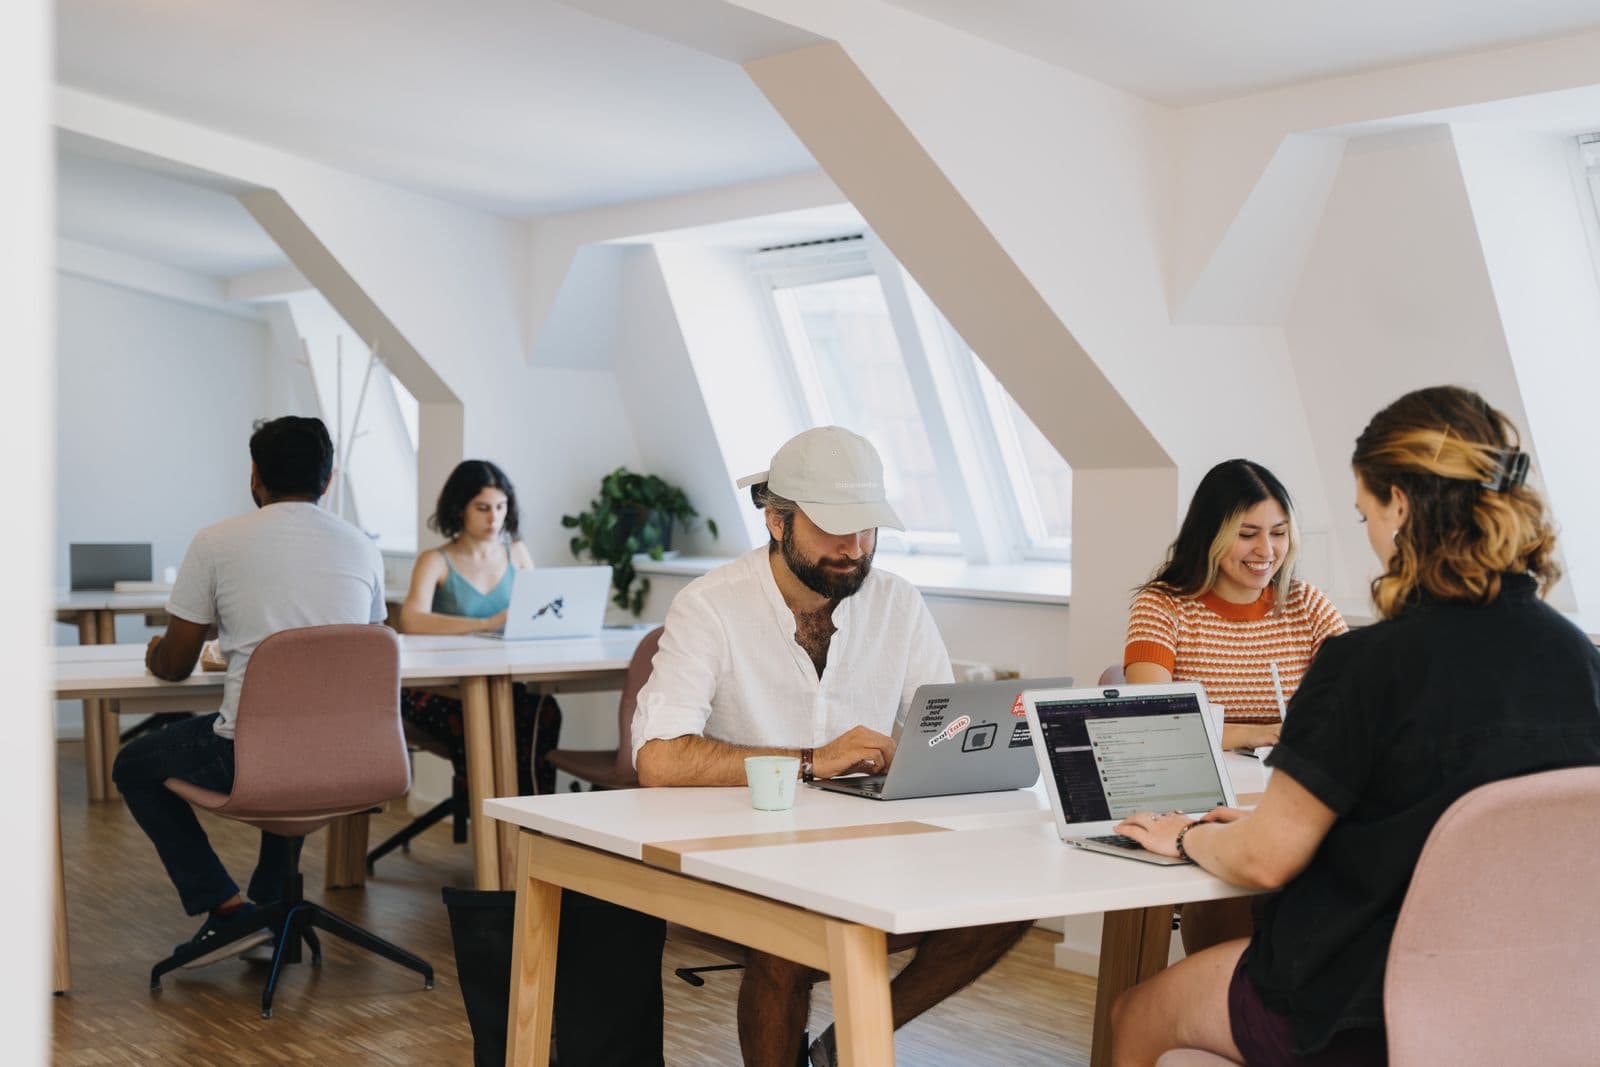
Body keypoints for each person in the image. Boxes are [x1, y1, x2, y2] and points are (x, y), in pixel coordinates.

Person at [1107, 386, 1600, 1067]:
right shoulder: (1581, 660)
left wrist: (1190, 833)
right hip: (1541, 1001)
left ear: (1399, 504)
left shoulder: (1367, 665)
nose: (1369, 532)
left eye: (1366, 511)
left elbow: (1264, 857)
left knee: (1135, 1011)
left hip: (1356, 1005)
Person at [632, 425, 1031, 1067]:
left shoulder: (898, 602)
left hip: (865, 845)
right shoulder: (709, 607)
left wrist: (939, 752)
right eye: (833, 527)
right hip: (743, 849)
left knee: (1009, 903)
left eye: (868, 527)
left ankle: (846, 1045)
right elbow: (658, 758)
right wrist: (813, 762)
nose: (854, 547)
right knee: (786, 944)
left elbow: (947, 728)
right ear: (777, 521)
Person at [112, 415, 386, 967]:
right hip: (350, 754)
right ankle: (269, 906)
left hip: (254, 755)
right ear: (327, 480)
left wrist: (156, 653)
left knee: (133, 764)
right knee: (295, 736)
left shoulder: (217, 541)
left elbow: (174, 664)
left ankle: (231, 910)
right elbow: (365, 644)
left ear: (254, 475)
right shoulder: (362, 546)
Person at [1125, 459, 1347, 754]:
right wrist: (1251, 734)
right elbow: (1154, 723)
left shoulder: (1308, 606)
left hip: (1287, 784)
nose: (1266, 550)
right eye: (1246, 534)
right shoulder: (1162, 607)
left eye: (1278, 533)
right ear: (1209, 535)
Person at [396, 459, 560, 795]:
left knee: (543, 711)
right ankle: (490, 820)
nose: (494, 518)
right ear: (460, 510)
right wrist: (486, 623)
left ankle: (529, 821)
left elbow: (541, 611)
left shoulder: (517, 553)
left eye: (501, 507)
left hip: (503, 682)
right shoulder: (435, 560)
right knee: (481, 719)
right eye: (483, 508)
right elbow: (411, 619)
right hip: (440, 688)